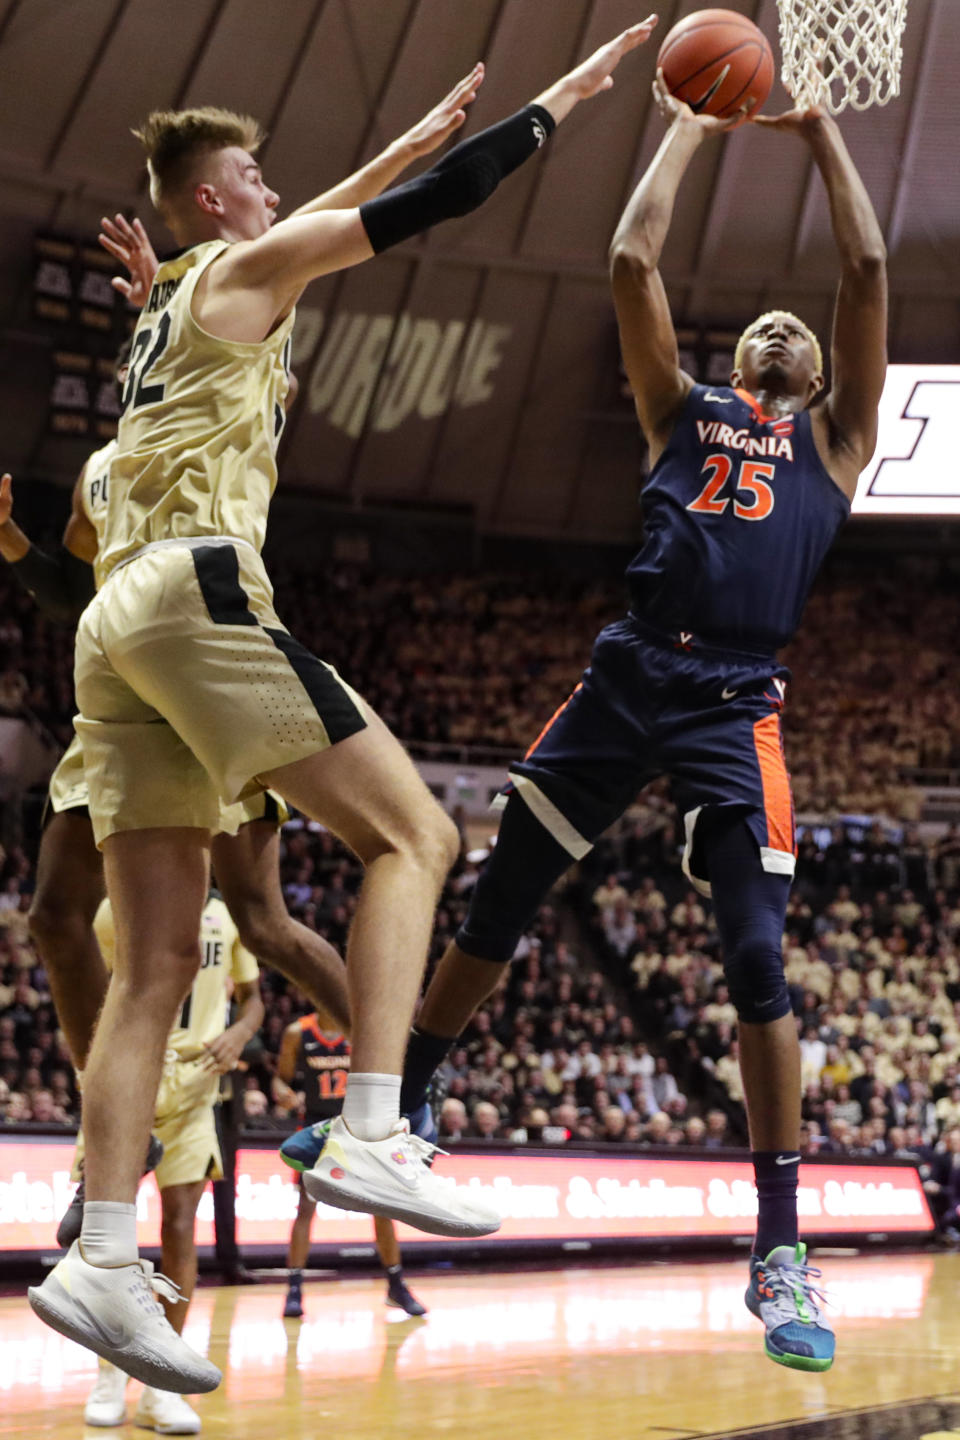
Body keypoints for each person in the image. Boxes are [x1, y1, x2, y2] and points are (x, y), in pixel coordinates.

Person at [28, 19, 659, 1393]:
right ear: (214, 198)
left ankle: (102, 1253)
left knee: (146, 973)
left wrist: (413, 131)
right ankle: (374, 1120)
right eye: (255, 175)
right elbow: (408, 214)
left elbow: (316, 217)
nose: (274, 188)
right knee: (414, 840)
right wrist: (551, 104)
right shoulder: (243, 264)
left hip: (108, 629)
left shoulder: (186, 299)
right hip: (197, 590)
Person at [382, 73, 888, 1374]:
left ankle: (779, 1250)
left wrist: (822, 130)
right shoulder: (683, 410)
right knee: (505, 892)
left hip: (737, 704)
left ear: (825, 375)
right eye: (760, 323)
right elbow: (626, 255)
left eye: (802, 326)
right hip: (626, 676)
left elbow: (868, 260)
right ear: (730, 362)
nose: (783, 326)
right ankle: (411, 1096)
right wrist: (690, 124)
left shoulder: (833, 448)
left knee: (759, 967)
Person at [81, 888, 264, 1434]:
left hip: (196, 1080)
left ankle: (161, 1382)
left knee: (181, 1227)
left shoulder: (226, 915)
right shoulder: (116, 903)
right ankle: (111, 1370)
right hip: (127, 1069)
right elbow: (87, 987)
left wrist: (240, 1031)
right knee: (106, 1232)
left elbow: (254, 996)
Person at [277, 1010, 426, 1321]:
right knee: (305, 1208)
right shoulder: (298, 1032)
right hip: (317, 1131)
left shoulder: (361, 1033)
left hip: (359, 1129)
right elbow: (281, 1079)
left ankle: (396, 1285)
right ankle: (294, 1288)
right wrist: (284, 1093)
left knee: (383, 1208)